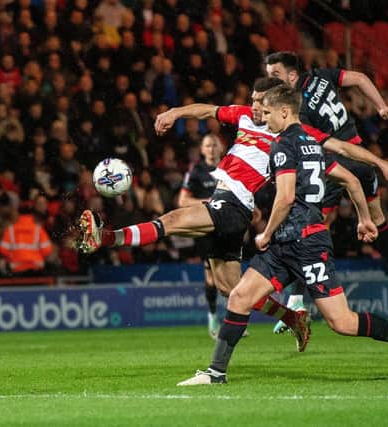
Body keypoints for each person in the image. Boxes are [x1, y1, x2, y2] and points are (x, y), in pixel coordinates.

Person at [177, 86, 388, 386]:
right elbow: (351, 179)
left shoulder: (283, 145)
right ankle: (216, 373)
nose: (266, 118)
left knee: (342, 322)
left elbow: (285, 197)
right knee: (239, 296)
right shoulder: (311, 143)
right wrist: (364, 219)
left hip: (307, 243)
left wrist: (266, 232)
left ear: (284, 111)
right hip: (289, 242)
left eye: (270, 113)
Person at [79, 77, 312, 351]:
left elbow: (325, 149)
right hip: (231, 204)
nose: (255, 106)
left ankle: (105, 237)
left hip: (234, 204)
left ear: (276, 104)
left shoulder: (287, 135)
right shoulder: (245, 116)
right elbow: (206, 110)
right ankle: (293, 318)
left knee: (173, 220)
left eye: (261, 101)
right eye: (253, 99)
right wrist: (174, 113)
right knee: (230, 288)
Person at [265, 52, 388, 333]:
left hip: (337, 161)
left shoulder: (298, 112)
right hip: (361, 158)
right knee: (377, 215)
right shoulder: (322, 76)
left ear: (292, 77)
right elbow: (358, 78)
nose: (271, 80)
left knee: (308, 226)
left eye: (275, 75)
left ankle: (297, 301)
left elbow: (333, 146)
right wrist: (380, 105)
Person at [178, 134, 223, 338]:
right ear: (202, 150)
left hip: (228, 227)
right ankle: (213, 315)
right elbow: (183, 201)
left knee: (230, 277)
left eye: (214, 145)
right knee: (213, 280)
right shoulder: (196, 172)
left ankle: (234, 318)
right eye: (208, 146)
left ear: (221, 148)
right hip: (206, 229)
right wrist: (206, 201)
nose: (212, 149)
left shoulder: (230, 167)